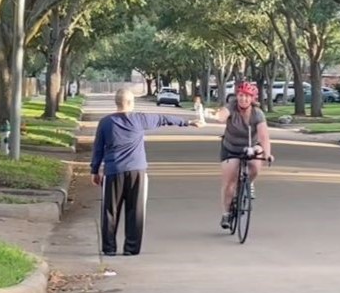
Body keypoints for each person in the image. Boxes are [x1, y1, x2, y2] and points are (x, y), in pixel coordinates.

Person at [89, 86, 200, 256]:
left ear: (116, 103)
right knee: (135, 210)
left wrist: (94, 170)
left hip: (113, 171)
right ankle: (131, 248)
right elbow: (164, 118)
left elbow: (98, 148)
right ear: (131, 103)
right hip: (137, 171)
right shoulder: (140, 119)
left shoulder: (105, 122)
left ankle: (109, 248)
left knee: (110, 210)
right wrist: (189, 122)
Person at [203, 81, 274, 230]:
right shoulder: (231, 107)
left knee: (255, 165)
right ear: (237, 96)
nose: (244, 99)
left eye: (247, 96)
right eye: (241, 95)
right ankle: (226, 214)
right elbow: (222, 116)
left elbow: (264, 137)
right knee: (229, 183)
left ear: (253, 98)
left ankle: (249, 183)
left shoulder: (258, 114)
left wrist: (267, 154)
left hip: (251, 146)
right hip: (231, 148)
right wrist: (216, 116)